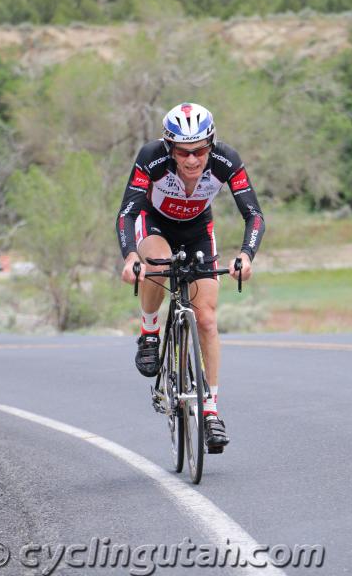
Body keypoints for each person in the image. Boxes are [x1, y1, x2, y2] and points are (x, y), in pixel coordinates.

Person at [116, 103, 265, 450]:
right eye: (183, 152)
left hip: (198, 230)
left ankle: (211, 411)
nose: (193, 160)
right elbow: (127, 213)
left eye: (200, 150)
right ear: (170, 148)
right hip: (154, 223)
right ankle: (150, 332)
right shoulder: (151, 157)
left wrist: (246, 255)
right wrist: (130, 258)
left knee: (208, 320)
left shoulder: (226, 160)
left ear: (211, 144)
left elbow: (254, 214)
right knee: (157, 261)